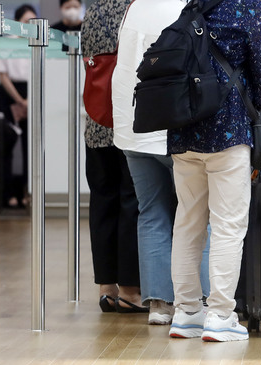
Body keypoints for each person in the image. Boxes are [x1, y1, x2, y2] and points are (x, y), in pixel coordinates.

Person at [167, 0, 261, 341]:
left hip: (184, 129)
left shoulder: (193, 7)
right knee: (228, 226)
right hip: (228, 129)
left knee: (188, 221)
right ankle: (219, 315)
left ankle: (186, 312)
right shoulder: (247, 8)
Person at [113, 0, 212, 325]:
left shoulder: (135, 8)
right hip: (172, 130)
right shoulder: (184, 9)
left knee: (151, 212)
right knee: (197, 215)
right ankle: (200, 301)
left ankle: (159, 304)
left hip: (133, 128)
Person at [81, 0, 143, 314]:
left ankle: (107, 288)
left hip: (96, 121)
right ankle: (131, 291)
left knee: (102, 200)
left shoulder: (92, 12)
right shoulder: (136, 10)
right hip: (128, 120)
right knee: (130, 201)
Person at [0, 4, 35, 210]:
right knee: (8, 147)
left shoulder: (37, 43)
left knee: (31, 147)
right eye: (26, 21)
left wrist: (30, 99)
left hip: (33, 94)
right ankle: (8, 194)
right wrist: (20, 100)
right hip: (10, 94)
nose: (29, 26)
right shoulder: (7, 43)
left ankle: (27, 194)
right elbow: (2, 75)